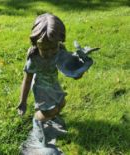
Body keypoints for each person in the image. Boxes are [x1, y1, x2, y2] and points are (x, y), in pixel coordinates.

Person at [17, 13, 88, 147]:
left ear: (59, 42)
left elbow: (71, 71)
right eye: (44, 48)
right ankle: (37, 121)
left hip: (54, 84)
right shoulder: (34, 59)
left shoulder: (60, 50)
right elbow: (27, 80)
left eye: (53, 47)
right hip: (41, 88)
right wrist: (23, 101)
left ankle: (50, 118)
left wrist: (80, 70)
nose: (49, 53)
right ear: (35, 43)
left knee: (61, 104)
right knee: (49, 111)